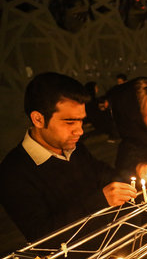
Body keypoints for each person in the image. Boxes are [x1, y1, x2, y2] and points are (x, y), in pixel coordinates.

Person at [0, 72, 137, 242]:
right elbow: (41, 234)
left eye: (81, 121)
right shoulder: (13, 172)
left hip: (113, 242)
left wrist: (137, 171)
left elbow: (104, 174)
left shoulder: (75, 147)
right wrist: (99, 201)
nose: (79, 131)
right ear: (38, 119)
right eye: (70, 122)